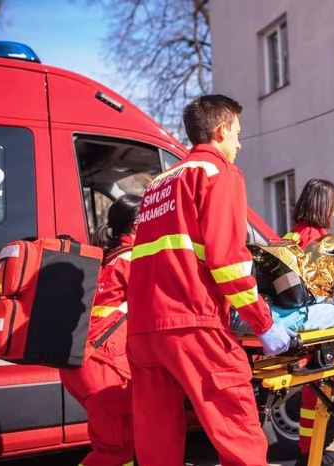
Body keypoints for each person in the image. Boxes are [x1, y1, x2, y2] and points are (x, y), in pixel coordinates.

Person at [127, 94, 292, 466]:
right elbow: (228, 261)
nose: (239, 143)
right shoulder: (218, 173)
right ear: (220, 131)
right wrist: (263, 324)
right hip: (192, 321)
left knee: (156, 444)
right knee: (238, 431)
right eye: (237, 134)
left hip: (144, 329)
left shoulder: (159, 183)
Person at [60, 194, 141, 466]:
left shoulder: (108, 259)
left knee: (123, 446)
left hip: (85, 361)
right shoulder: (133, 260)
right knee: (114, 451)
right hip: (105, 366)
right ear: (137, 224)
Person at [283, 178, 334, 466]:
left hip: (297, 326)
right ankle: (311, 454)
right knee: (316, 397)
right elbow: (330, 289)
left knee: (311, 395)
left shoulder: (291, 236)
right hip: (317, 331)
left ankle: (308, 452)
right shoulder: (319, 242)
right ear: (324, 206)